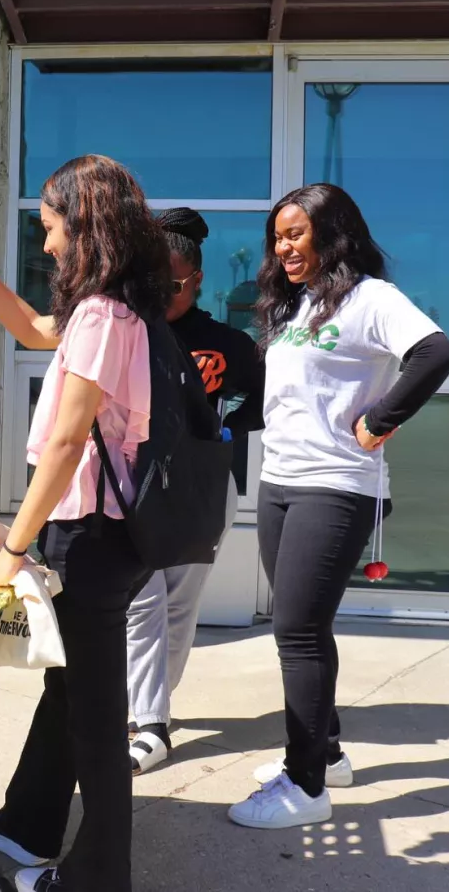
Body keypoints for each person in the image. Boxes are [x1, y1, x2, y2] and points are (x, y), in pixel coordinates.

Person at [0, 154, 169, 892]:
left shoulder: (101, 315)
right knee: (68, 691)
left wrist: (16, 546)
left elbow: (67, 442)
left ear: (85, 224)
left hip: (88, 539)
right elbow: (34, 329)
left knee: (96, 723)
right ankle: (28, 823)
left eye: (52, 227)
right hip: (110, 537)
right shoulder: (120, 308)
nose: (48, 243)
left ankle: (96, 880)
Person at [228, 183, 449, 829]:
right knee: (308, 625)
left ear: (333, 234)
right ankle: (325, 754)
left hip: (338, 484)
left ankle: (304, 787)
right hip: (281, 481)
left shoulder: (370, 299)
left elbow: (436, 352)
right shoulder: (295, 307)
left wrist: (382, 417)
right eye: (279, 235)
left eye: (296, 233)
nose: (283, 246)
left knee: (294, 631)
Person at [125, 207, 265, 775]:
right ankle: (149, 720)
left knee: (181, 605)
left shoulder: (227, 342)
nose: (165, 294)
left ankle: (150, 706)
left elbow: (257, 405)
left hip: (203, 487)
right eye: (156, 282)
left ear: (199, 279)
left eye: (176, 284)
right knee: (142, 598)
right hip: (138, 484)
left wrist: (223, 426)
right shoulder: (128, 328)